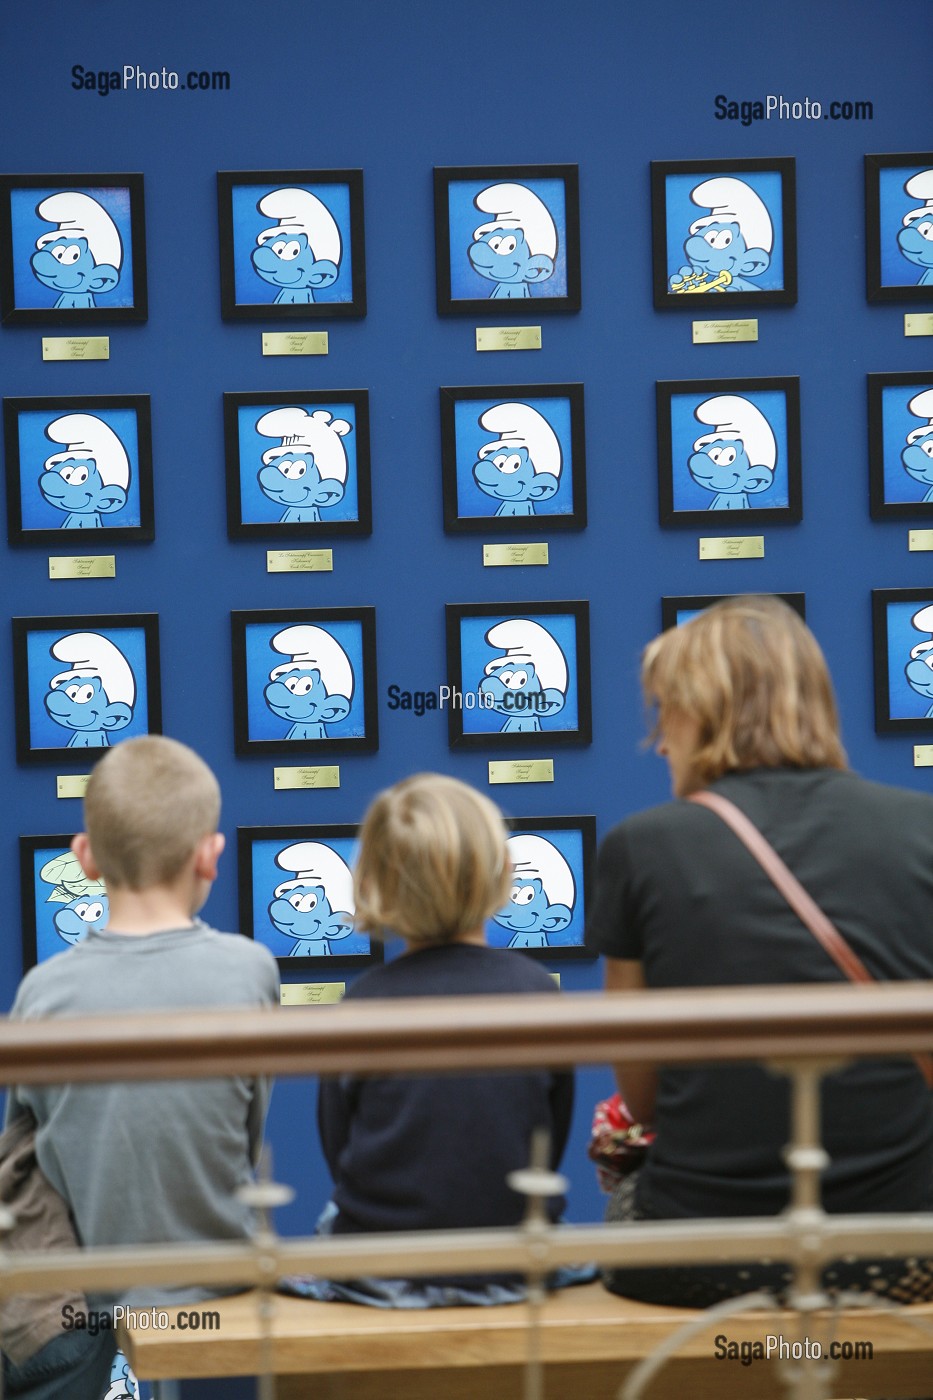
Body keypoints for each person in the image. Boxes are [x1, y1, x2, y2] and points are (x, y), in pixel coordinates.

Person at [585, 595, 933, 1306]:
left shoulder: (640, 846)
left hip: (699, 1258)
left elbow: (642, 1097)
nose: (658, 741)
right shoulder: (920, 827)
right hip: (903, 1253)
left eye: (665, 712)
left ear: (706, 711)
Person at [4, 736, 280, 1396]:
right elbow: (245, 1130)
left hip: (85, 1312)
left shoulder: (43, 991)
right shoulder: (250, 971)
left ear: (86, 857)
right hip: (219, 1296)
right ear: (209, 857)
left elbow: (33, 1149)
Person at [312, 772, 574, 1305]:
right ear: (499, 871)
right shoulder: (536, 992)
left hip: (382, 1270)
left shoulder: (361, 1004)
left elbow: (338, 1150)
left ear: (373, 883)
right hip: (514, 1264)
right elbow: (550, 1139)